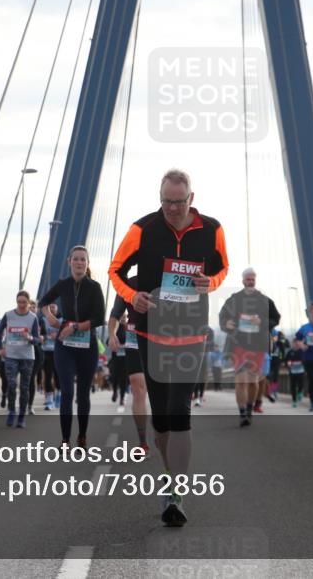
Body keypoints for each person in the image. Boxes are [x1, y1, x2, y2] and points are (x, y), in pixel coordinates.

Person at [109, 168, 229, 526]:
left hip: (191, 335)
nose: (172, 209)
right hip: (150, 336)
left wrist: (210, 283)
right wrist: (134, 297)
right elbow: (115, 271)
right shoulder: (142, 229)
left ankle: (177, 491)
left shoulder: (212, 229)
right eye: (166, 202)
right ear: (159, 198)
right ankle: (167, 473)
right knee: (161, 417)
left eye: (178, 202)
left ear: (191, 198)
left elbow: (223, 268)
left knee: (180, 412)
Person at [39, 245, 106, 451]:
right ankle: (65, 440)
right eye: (76, 259)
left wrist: (75, 326)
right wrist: (50, 317)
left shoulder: (94, 287)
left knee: (83, 394)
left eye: (83, 259)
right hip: (65, 346)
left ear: (87, 264)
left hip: (88, 346)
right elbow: (43, 301)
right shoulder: (63, 284)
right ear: (69, 262)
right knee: (67, 392)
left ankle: (82, 437)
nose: (79, 262)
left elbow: (99, 319)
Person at [219, 267, 281, 426]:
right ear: (243, 280)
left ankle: (249, 408)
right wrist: (226, 323)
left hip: (258, 346)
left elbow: (276, 318)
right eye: (248, 279)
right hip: (238, 344)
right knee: (240, 381)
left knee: (253, 382)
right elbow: (223, 316)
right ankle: (242, 414)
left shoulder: (264, 300)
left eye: (252, 279)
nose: (250, 281)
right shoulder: (234, 299)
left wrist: (263, 322)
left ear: (255, 280)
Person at [108, 287, 150, 451]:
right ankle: (143, 442)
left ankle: (163, 426)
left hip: (161, 340)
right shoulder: (128, 285)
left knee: (162, 392)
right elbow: (115, 313)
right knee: (138, 387)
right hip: (135, 340)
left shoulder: (166, 279)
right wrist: (112, 334)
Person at [0, 291, 40, 429]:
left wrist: (30, 338)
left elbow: (37, 340)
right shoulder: (9, 315)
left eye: (24, 302)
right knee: (11, 384)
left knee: (24, 387)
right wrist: (0, 347)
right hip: (11, 355)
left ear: (28, 303)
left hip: (27, 357)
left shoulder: (33, 318)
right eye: (19, 302)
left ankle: (21, 416)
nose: (21, 305)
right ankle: (11, 411)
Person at [27, 298, 45, 417]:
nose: (33, 309)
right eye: (31, 307)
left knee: (31, 378)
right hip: (21, 351)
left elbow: (44, 337)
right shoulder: (21, 319)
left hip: (36, 352)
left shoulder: (40, 321)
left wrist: (41, 338)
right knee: (25, 380)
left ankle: (30, 406)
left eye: (34, 307)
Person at [42, 302, 60, 410]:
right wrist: (45, 336)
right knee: (48, 376)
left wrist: (58, 335)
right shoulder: (43, 320)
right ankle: (49, 399)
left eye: (53, 307)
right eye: (50, 307)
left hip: (59, 351)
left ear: (57, 309)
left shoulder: (62, 321)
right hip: (46, 351)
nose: (52, 309)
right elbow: (39, 333)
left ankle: (58, 395)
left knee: (58, 376)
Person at [267, 329, 288, 402]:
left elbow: (283, 350)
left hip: (276, 359)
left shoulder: (279, 338)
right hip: (268, 359)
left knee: (275, 376)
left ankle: (274, 391)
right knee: (268, 375)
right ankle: (268, 391)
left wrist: (282, 360)